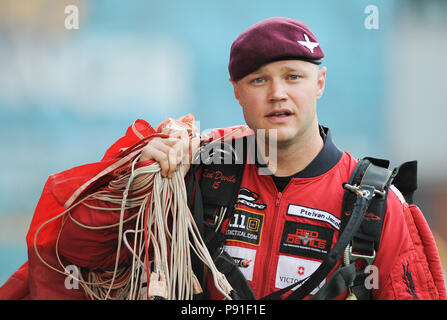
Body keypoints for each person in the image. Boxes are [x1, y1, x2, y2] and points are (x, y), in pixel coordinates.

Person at [0, 17, 445, 300]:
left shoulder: (376, 205)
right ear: (236, 92)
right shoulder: (192, 174)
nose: (277, 93)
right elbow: (72, 252)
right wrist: (131, 175)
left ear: (320, 83)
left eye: (293, 76)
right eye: (258, 80)